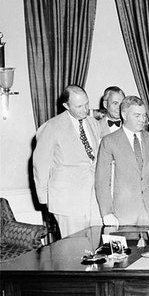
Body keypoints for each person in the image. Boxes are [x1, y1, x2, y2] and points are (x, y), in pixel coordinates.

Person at [33, 85, 101, 237]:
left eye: (86, 104)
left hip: (93, 198)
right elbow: (41, 164)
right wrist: (44, 198)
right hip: (67, 200)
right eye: (79, 106)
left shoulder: (93, 123)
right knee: (74, 249)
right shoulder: (52, 127)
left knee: (96, 246)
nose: (85, 109)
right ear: (66, 106)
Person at [95, 96, 149, 226]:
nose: (142, 120)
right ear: (124, 115)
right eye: (137, 116)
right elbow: (102, 181)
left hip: (148, 211)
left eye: (144, 115)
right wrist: (107, 213)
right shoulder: (109, 141)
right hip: (121, 213)